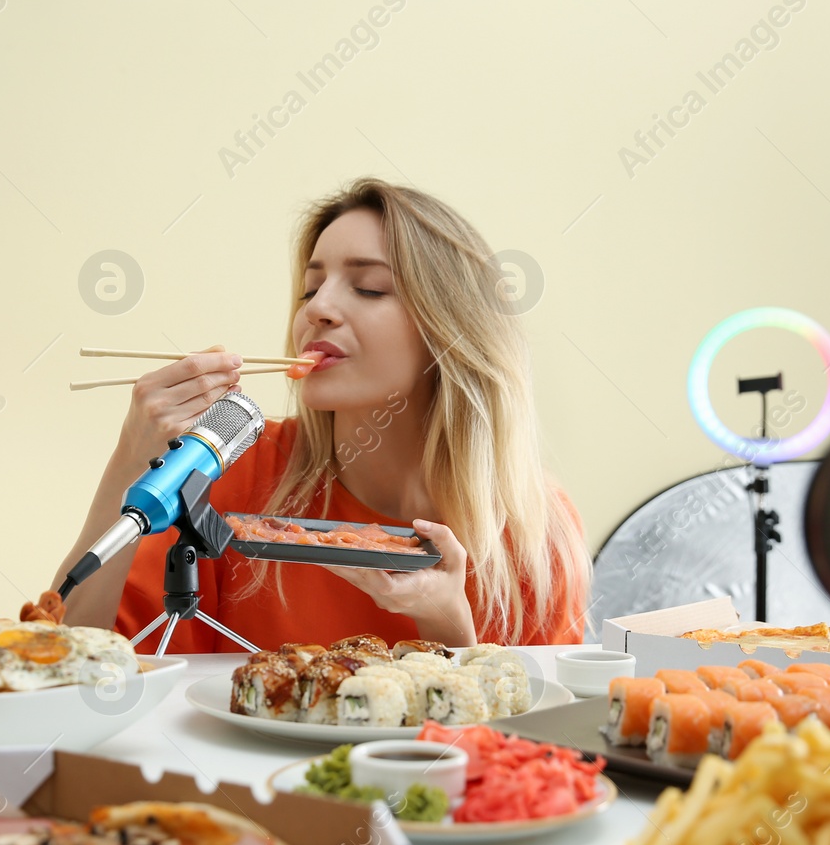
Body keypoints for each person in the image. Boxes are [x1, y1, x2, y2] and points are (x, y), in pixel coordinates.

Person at [54, 178, 589, 650]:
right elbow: (71, 661)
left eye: (369, 287)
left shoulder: (534, 528)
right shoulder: (231, 471)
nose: (315, 309)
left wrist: (446, 623)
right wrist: (131, 460)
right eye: (311, 288)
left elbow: (518, 751)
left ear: (448, 334)